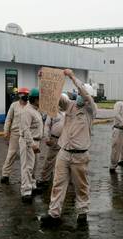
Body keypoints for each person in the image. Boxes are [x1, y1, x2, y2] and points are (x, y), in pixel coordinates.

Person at [41, 69, 96, 227]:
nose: (78, 96)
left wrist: (72, 77)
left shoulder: (91, 110)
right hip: (63, 153)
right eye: (77, 93)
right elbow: (57, 99)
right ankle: (54, 213)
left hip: (80, 156)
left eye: (81, 93)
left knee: (81, 186)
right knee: (58, 183)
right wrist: (45, 82)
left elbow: (85, 94)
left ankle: (82, 212)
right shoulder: (70, 106)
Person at [0, 87, 30, 185]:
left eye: (27, 94)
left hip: (27, 134)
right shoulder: (14, 105)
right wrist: (6, 132)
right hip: (15, 133)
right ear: (20, 95)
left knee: (27, 156)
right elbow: (8, 119)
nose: (25, 96)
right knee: (11, 154)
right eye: (24, 94)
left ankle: (28, 178)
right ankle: (5, 174)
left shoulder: (30, 106)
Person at [18, 88, 43, 203]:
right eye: (39, 98)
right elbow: (25, 130)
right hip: (29, 142)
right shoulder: (27, 111)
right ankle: (26, 191)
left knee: (34, 166)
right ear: (35, 99)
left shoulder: (35, 110)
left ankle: (32, 185)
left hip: (36, 141)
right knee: (27, 167)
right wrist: (32, 144)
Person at [37, 103, 66, 189]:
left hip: (66, 141)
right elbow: (47, 125)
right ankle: (44, 178)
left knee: (65, 161)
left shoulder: (69, 112)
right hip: (54, 140)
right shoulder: (53, 112)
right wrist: (47, 138)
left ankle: (64, 180)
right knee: (50, 160)